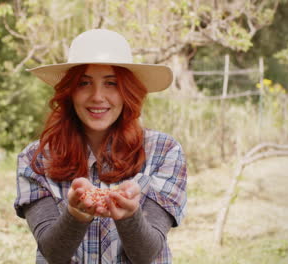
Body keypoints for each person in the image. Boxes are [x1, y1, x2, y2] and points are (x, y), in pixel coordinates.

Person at [15, 29, 187, 264]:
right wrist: (75, 214)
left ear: (128, 91)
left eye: (111, 83)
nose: (97, 96)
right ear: (70, 91)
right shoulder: (35, 158)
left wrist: (130, 216)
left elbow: (147, 253)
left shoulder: (164, 151)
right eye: (84, 83)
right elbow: (52, 252)